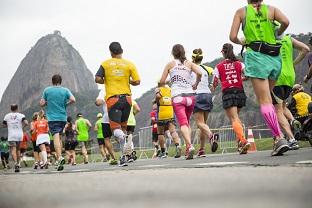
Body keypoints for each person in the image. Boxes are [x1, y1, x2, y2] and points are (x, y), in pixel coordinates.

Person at [229, 0, 290, 156]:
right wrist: (277, 32)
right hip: (274, 57)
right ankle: (280, 137)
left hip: (256, 56)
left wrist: (241, 41)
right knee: (268, 97)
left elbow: (232, 36)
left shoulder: (241, 12)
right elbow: (286, 22)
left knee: (264, 101)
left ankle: (278, 138)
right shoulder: (272, 10)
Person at [95, 42, 140, 166]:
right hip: (127, 99)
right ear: (122, 51)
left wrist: (107, 79)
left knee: (115, 130)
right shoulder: (129, 64)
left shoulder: (105, 64)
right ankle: (126, 156)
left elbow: (97, 78)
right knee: (124, 128)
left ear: (111, 52)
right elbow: (137, 81)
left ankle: (126, 140)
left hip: (113, 100)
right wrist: (127, 80)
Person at [159, 44, 202, 160]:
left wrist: (168, 82)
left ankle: (189, 145)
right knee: (187, 123)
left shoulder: (170, 64)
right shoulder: (189, 63)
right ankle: (188, 148)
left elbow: (162, 81)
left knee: (183, 124)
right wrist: (196, 84)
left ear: (173, 53)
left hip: (178, 97)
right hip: (190, 97)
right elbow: (200, 73)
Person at [272, 32, 310, 150]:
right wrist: (293, 63)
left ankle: (292, 139)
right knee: (283, 107)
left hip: (277, 77)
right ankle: (293, 120)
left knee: (277, 110)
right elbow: (305, 49)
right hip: (290, 77)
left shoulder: (269, 39)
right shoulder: (288, 39)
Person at [212, 43, 250, 154]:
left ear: (223, 52)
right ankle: (240, 144)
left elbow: (215, 83)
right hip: (239, 91)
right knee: (236, 118)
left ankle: (243, 141)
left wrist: (213, 87)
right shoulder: (239, 64)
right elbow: (247, 75)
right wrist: (239, 79)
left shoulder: (218, 66)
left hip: (228, 92)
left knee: (234, 119)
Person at [40, 74, 76, 171]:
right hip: (62, 117)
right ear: (61, 81)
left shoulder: (47, 90)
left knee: (55, 136)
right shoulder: (65, 90)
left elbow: (41, 103)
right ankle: (59, 158)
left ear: (52, 81)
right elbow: (73, 99)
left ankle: (59, 158)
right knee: (59, 137)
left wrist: (48, 102)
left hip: (52, 118)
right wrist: (66, 104)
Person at [191, 48, 217, 157]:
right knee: (203, 125)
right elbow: (216, 76)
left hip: (197, 95)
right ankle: (201, 150)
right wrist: (213, 86)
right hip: (207, 95)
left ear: (192, 58)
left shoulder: (190, 69)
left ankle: (211, 136)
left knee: (199, 123)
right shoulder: (207, 68)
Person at [155, 82, 182, 158]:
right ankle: (177, 146)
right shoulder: (170, 90)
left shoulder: (158, 89)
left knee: (160, 133)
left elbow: (158, 96)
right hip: (170, 111)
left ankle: (163, 152)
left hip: (161, 113)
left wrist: (157, 99)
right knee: (173, 131)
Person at [95, 89, 118, 165]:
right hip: (119, 115)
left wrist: (97, 101)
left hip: (107, 117)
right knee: (120, 135)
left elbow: (98, 102)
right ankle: (127, 155)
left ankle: (114, 158)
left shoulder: (104, 90)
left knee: (107, 139)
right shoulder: (119, 87)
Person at [2, 104, 28, 172]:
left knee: (13, 150)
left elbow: (4, 125)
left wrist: (9, 125)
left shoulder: (7, 116)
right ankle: (18, 164)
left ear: (11, 109)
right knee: (18, 149)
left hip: (11, 135)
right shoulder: (21, 115)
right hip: (19, 134)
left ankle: (16, 163)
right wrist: (22, 127)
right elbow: (26, 123)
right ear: (17, 108)